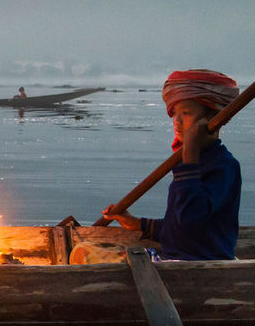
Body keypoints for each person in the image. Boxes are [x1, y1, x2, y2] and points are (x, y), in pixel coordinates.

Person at [101, 69, 242, 260]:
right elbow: (179, 230)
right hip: (175, 259)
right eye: (174, 113)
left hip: (198, 267)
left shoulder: (224, 166)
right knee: (87, 250)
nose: (177, 121)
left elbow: (189, 218)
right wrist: (136, 223)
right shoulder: (191, 163)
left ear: (215, 119)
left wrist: (189, 154)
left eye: (186, 113)